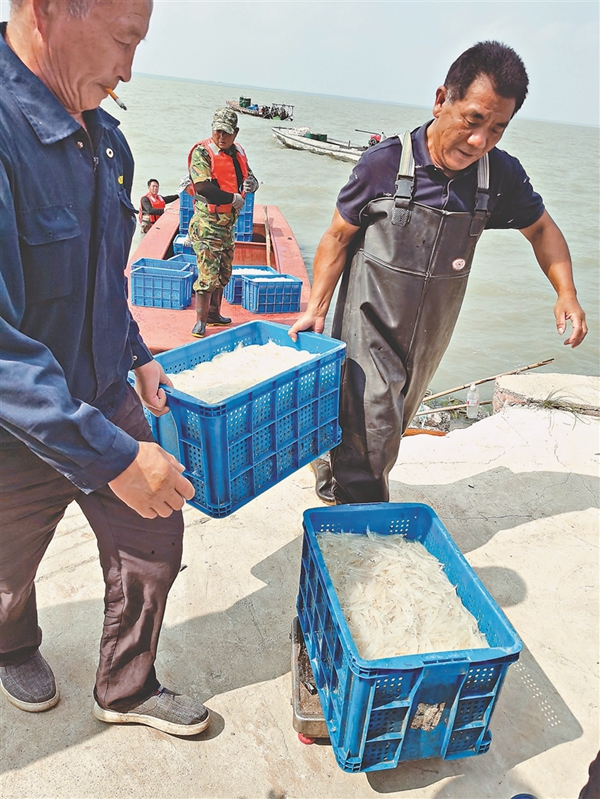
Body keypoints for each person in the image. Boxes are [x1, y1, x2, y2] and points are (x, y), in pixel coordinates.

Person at [0, 0, 211, 737]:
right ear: (48, 10)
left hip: (101, 390)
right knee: (5, 573)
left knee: (155, 531)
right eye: (124, 40)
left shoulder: (106, 141)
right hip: (14, 425)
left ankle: (125, 685)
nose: (128, 70)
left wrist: (138, 354)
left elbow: (101, 278)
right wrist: (114, 457)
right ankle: (11, 643)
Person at [289, 41, 587, 506]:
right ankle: (362, 526)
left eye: (497, 129)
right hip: (369, 326)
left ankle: (333, 474)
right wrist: (317, 309)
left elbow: (542, 229)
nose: (479, 141)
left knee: (386, 428)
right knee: (374, 431)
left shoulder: (498, 176)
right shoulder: (384, 165)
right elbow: (337, 236)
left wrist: (565, 292)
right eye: (473, 120)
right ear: (441, 99)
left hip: (430, 336)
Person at [187, 108, 259, 338]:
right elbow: (203, 187)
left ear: (235, 133)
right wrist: (232, 198)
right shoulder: (202, 152)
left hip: (228, 226)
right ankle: (200, 322)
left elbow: (249, 176)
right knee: (207, 275)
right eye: (218, 131)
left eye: (226, 132)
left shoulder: (238, 153)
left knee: (223, 272)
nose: (221, 137)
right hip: (207, 224)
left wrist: (253, 184)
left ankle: (214, 314)